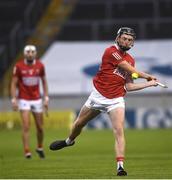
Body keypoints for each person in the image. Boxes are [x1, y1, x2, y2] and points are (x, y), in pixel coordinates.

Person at [49, 27, 158, 175]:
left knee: (119, 131)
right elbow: (128, 69)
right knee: (79, 123)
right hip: (98, 96)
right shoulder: (110, 51)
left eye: (130, 40)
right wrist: (147, 76)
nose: (126, 41)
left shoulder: (131, 60)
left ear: (133, 43)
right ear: (118, 38)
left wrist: (149, 84)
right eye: (124, 38)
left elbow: (129, 85)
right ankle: (68, 141)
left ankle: (120, 166)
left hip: (116, 100)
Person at [10, 45, 49, 159]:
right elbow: (13, 84)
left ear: (35, 53)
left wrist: (46, 98)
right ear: (24, 53)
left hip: (37, 99)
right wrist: (14, 100)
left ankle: (40, 147)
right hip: (24, 99)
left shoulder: (40, 65)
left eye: (32, 52)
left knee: (40, 128)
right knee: (26, 126)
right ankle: (27, 151)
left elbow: (44, 82)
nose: (30, 53)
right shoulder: (19, 66)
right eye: (28, 52)